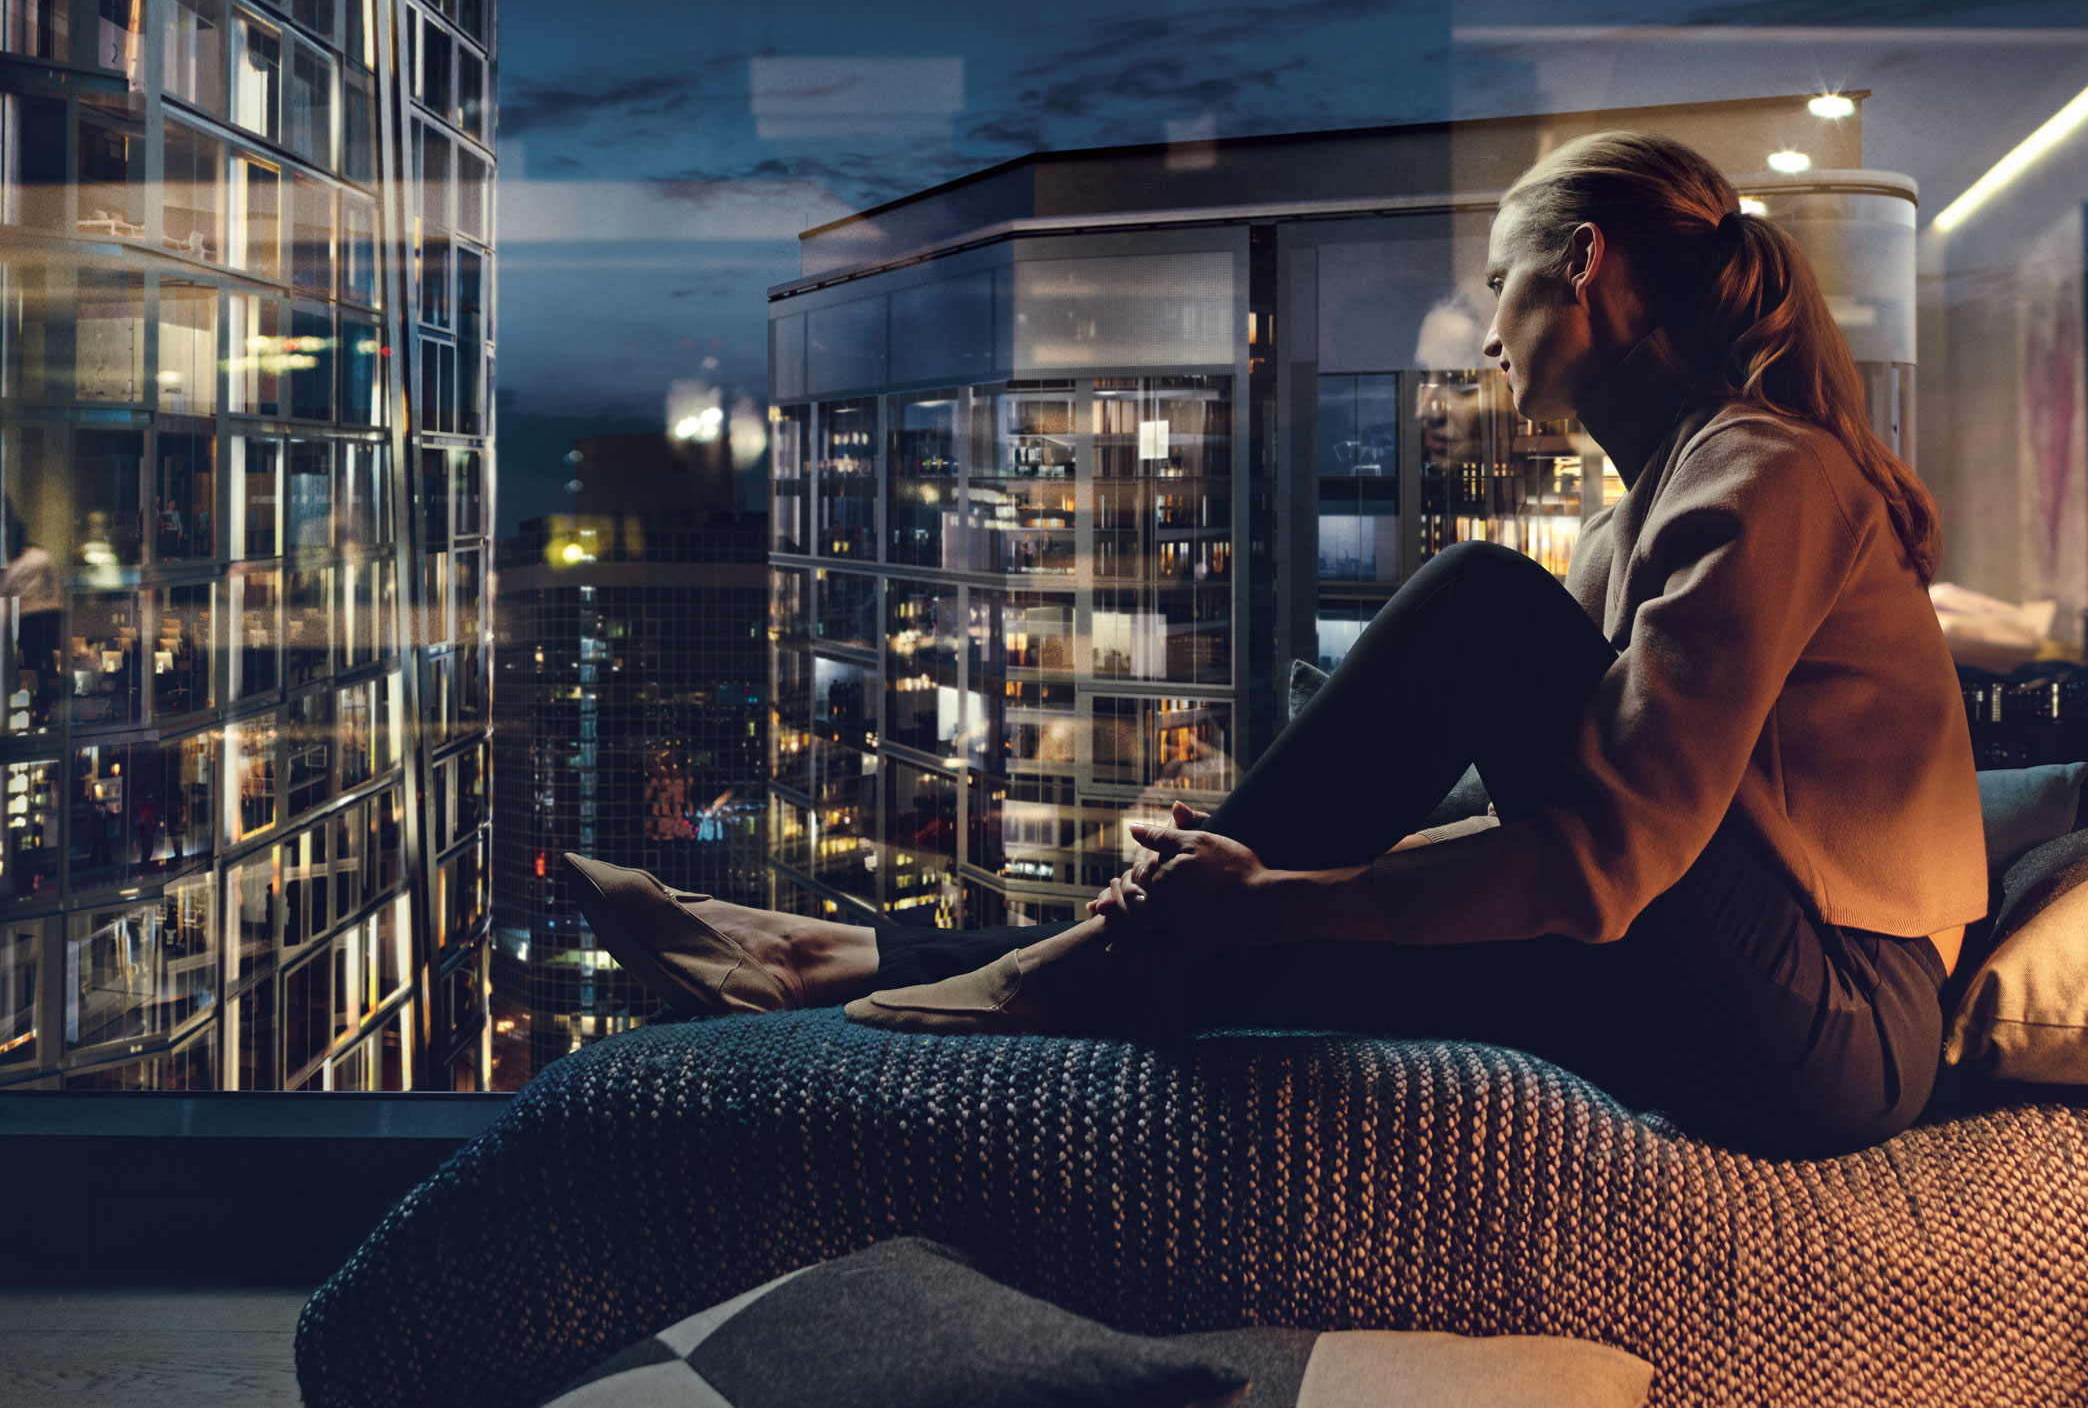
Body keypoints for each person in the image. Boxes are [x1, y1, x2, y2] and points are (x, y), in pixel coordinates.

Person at [567, 131, 1984, 1155]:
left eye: (1501, 280)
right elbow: (1505, 827)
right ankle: (842, 961)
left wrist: (1281, 893)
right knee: (1284, 963)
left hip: (1839, 1029)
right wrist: (1235, 862)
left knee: (1478, 599)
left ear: (1583, 263)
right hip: (1738, 989)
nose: (1489, 333)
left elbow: (1611, 862)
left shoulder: (1767, 470)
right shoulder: (1643, 517)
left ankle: (1031, 977)